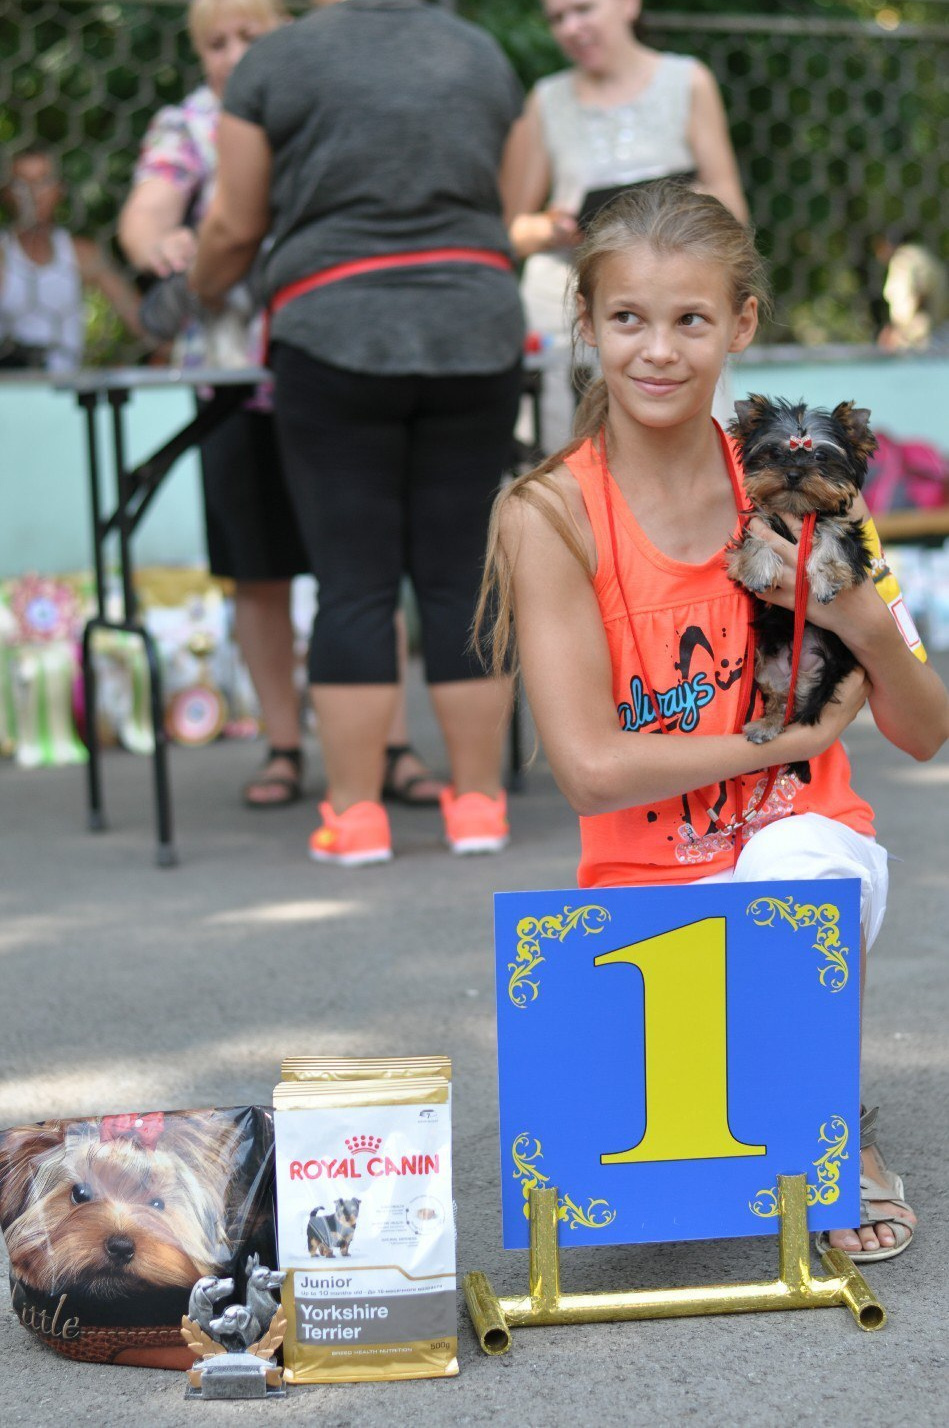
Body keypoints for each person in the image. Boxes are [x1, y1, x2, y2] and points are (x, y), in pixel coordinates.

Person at [479, 182, 949, 1259]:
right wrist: (786, 741)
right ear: (587, 324)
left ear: (738, 325)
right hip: (643, 893)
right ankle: (770, 1087)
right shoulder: (547, 512)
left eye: (690, 320)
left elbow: (924, 732)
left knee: (795, 856)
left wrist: (865, 625)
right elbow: (593, 774)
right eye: (627, 320)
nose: (657, 351)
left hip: (799, 851)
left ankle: (835, 1127)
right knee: (645, 1183)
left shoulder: (807, 487)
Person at [191, 0, 525, 863]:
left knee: (353, 582)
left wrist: (192, 286)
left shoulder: (277, 63)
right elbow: (518, 193)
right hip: (474, 328)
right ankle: (479, 806)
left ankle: (357, 816)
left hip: (332, 335)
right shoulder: (478, 51)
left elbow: (234, 223)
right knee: (459, 575)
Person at [118, 0, 440, 808]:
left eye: (248, 37)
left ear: (287, 37)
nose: (231, 55)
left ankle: (389, 743)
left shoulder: (328, 103)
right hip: (236, 387)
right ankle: (283, 746)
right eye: (214, 44)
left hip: (343, 371)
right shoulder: (187, 126)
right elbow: (146, 210)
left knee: (362, 572)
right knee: (257, 575)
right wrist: (159, 243)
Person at [504, 0, 747, 452]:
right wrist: (552, 228)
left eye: (583, 10)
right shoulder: (546, 100)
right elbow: (510, 230)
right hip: (572, 299)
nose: (571, 28)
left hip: (672, 294)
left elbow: (732, 204)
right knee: (568, 448)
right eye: (557, 18)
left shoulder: (687, 81)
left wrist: (666, 205)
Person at [0, 146, 143, 370]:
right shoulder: (3, 256)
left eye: (43, 181)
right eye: (22, 184)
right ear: (6, 192)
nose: (33, 193)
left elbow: (139, 321)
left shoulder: (81, 254)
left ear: (60, 189)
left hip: (65, 390)